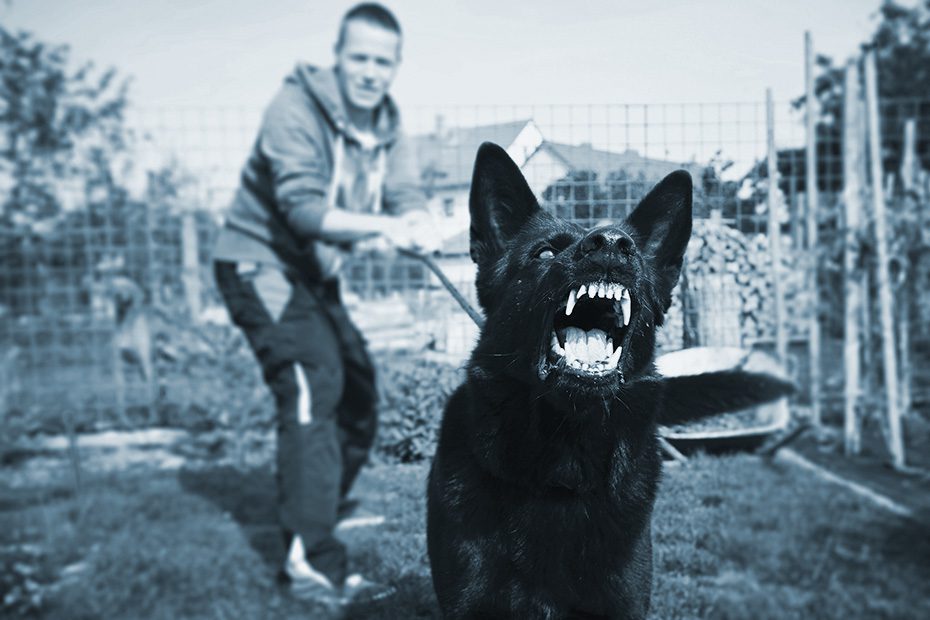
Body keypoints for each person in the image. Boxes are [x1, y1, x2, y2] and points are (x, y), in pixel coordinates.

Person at [212, 2, 437, 605]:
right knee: (315, 380)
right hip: (260, 263)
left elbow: (406, 191)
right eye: (359, 58)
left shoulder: (388, 125)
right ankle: (311, 561)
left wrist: (415, 221)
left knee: (359, 393)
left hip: (314, 275)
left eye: (382, 62)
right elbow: (303, 209)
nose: (370, 72)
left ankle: (315, 509)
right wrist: (384, 229)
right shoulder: (294, 107)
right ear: (338, 57)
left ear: (395, 66)